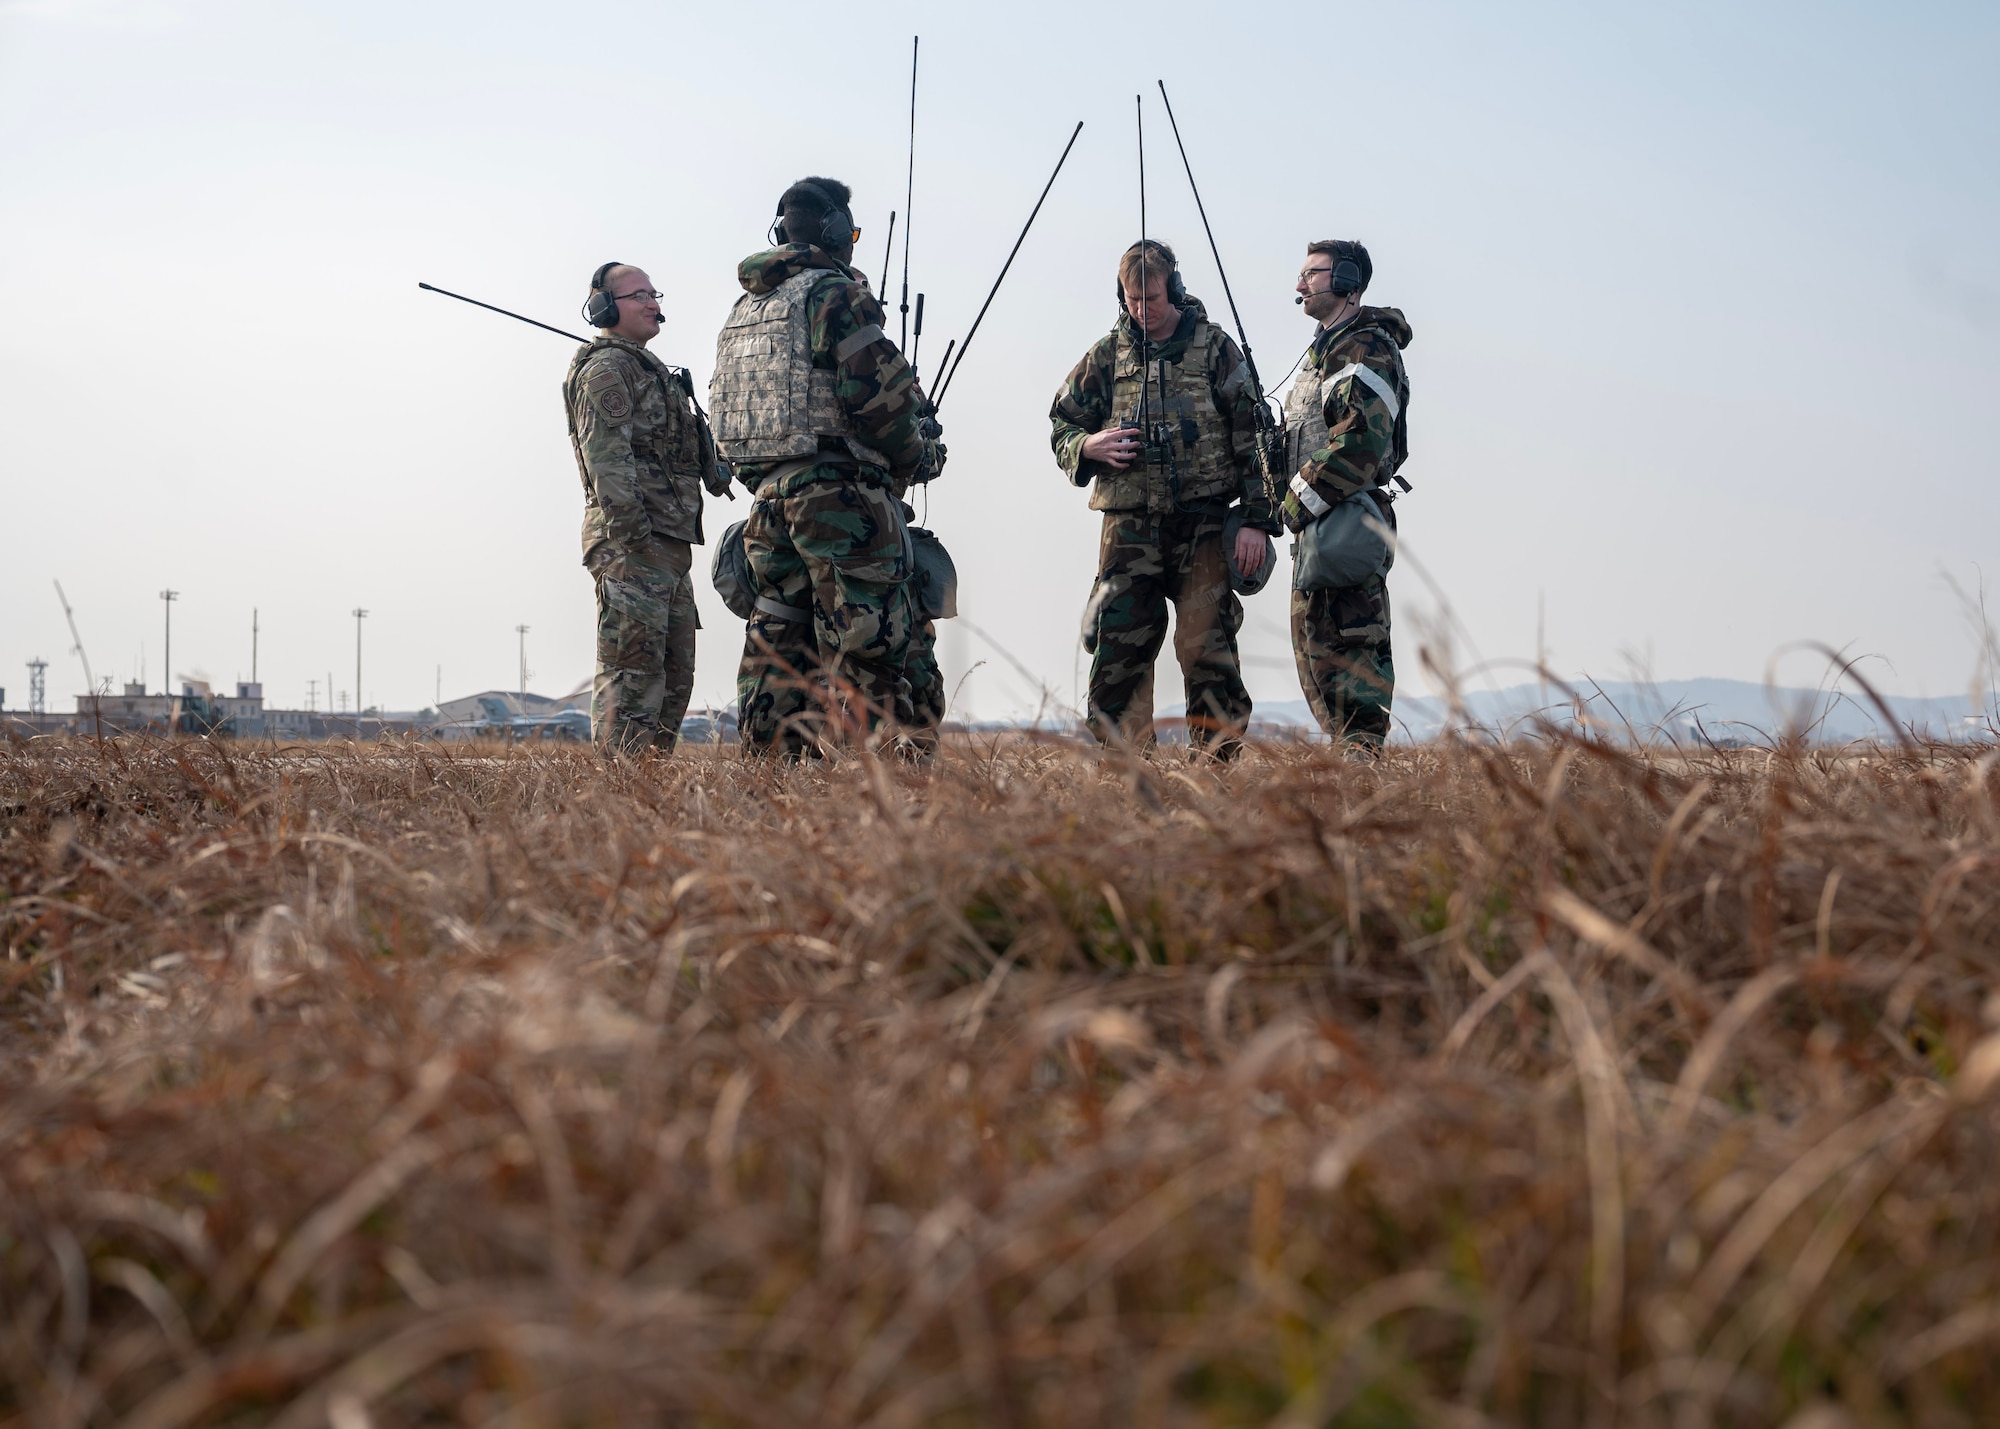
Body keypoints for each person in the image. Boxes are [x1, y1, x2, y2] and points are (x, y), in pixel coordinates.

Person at [709, 177, 942, 757]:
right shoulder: (834, 295)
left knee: (775, 644)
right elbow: (877, 399)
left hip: (767, 503)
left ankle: (771, 781)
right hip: (841, 502)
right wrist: (918, 456)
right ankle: (888, 789)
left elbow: (732, 418)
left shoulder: (746, 309)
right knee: (870, 645)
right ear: (838, 231)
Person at [1049, 239, 1277, 756]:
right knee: (1118, 651)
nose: (1141, 310)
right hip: (1128, 529)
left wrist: (1257, 522)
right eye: (1131, 300)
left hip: (1202, 523)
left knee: (1207, 652)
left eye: (1151, 298)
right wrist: (1088, 445)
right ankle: (1126, 773)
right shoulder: (1108, 355)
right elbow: (1062, 421)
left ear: (1173, 289)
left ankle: (1215, 769)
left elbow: (1254, 439)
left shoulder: (1215, 349)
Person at [564, 261, 729, 755]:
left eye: (655, 294)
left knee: (675, 674)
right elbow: (607, 463)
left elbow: (701, 462)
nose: (653, 304)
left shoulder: (652, 373)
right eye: (639, 296)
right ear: (606, 308)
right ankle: (618, 793)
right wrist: (635, 543)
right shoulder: (607, 370)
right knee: (632, 673)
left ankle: (648, 789)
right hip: (636, 543)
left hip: (669, 545)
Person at [1280, 240, 1411, 753]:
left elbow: (1361, 444)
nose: (1300, 284)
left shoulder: (1366, 348)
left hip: (1343, 527)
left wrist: (1293, 505)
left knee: (1351, 674)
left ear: (1348, 280)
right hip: (1317, 531)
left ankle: (1364, 791)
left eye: (1312, 273)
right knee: (1318, 670)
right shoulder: (1325, 353)